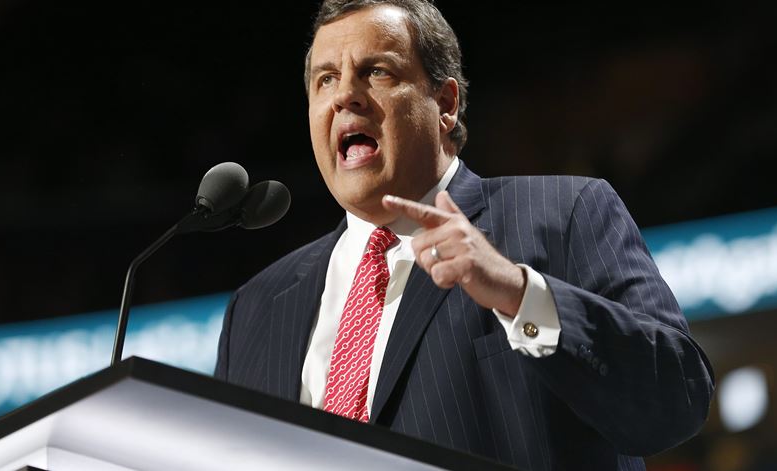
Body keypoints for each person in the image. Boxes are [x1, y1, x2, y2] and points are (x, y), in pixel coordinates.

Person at [214, 0, 714, 469]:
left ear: (446, 103)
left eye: (376, 72)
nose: (345, 95)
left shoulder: (564, 215)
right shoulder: (257, 307)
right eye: (326, 79)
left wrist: (519, 295)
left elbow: (675, 401)